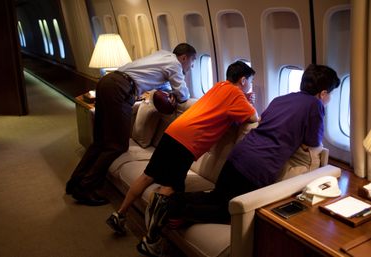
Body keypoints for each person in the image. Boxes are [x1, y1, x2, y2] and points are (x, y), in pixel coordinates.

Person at [138, 64, 340, 257]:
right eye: (329, 94)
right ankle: (176, 210)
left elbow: (263, 120)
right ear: (323, 93)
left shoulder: (280, 98)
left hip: (239, 154)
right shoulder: (315, 105)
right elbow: (314, 141)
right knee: (229, 212)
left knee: (216, 197)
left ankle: (168, 200)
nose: (328, 99)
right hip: (258, 166)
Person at [105, 61, 259, 248]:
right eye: (250, 81)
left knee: (147, 176)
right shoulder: (236, 93)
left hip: (174, 132)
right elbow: (253, 118)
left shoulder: (220, 85)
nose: (250, 85)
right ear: (243, 80)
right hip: (187, 142)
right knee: (169, 188)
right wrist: (247, 99)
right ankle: (151, 240)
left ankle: (119, 214)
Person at [66, 43, 197, 206]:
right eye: (191, 62)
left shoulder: (162, 55)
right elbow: (183, 95)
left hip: (108, 82)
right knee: (117, 145)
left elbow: (158, 83)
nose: (190, 66)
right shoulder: (175, 64)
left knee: (100, 141)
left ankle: (75, 182)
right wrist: (177, 94)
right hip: (119, 89)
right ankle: (85, 187)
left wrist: (169, 91)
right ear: (184, 57)